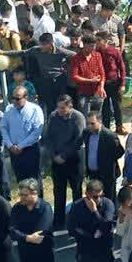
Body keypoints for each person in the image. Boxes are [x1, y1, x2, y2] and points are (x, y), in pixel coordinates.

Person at [42, 95, 85, 231]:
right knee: (58, 191)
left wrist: (64, 155)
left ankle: (78, 219)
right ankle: (58, 220)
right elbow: (48, 138)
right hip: (57, 161)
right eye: (58, 107)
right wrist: (54, 155)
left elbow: (78, 140)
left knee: (76, 190)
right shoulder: (53, 116)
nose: (59, 110)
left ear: (70, 107)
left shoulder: (78, 118)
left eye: (62, 108)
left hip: (73, 160)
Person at [2, 86, 45, 182]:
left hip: (30, 150)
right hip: (14, 151)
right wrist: (10, 145)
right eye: (12, 98)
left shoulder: (35, 109)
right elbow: (3, 128)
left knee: (34, 181)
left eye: (17, 99)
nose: (14, 101)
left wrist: (21, 146)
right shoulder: (8, 109)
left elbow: (36, 132)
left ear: (26, 97)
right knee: (21, 180)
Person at [81, 110, 124, 203]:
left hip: (106, 175)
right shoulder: (86, 133)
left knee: (108, 200)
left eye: (92, 123)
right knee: (94, 199)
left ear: (100, 122)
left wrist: (107, 160)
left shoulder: (110, 136)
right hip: (93, 174)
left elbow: (120, 152)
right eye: (88, 123)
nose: (89, 126)